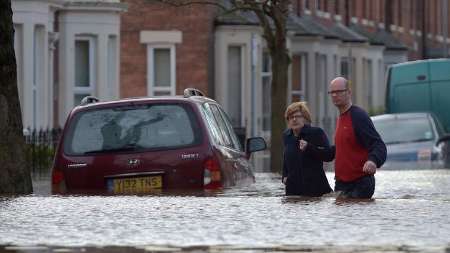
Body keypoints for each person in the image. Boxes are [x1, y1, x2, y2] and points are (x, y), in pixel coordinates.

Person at [328, 76, 387, 199]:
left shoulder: (358, 116)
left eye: (339, 91)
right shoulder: (340, 118)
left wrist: (373, 161)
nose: (334, 95)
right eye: (332, 92)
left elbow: (378, 144)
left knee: (355, 216)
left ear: (349, 92)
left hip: (360, 183)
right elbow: (341, 150)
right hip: (342, 184)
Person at [282, 102, 334, 197]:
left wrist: (309, 147)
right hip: (292, 193)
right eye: (290, 117)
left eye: (297, 116)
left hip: (316, 193)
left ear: (305, 118)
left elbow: (329, 155)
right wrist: (284, 176)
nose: (294, 119)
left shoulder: (316, 133)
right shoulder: (287, 135)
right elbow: (286, 159)